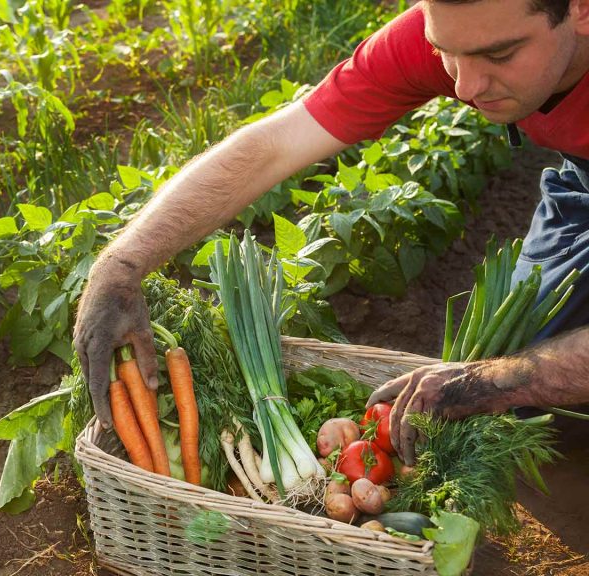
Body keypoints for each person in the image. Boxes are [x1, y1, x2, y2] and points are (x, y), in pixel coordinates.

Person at [73, 0, 589, 465]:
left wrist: (492, 382)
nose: (464, 87)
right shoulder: (454, 31)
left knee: (508, 382)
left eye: (499, 55)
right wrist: (120, 266)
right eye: (447, 53)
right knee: (520, 387)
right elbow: (277, 142)